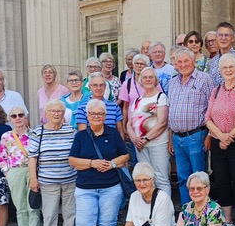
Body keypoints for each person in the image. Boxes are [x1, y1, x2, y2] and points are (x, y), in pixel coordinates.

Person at [68, 99, 129, 226]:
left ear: (105, 115)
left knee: (108, 225)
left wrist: (111, 164)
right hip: (85, 189)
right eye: (93, 113)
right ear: (87, 115)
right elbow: (72, 160)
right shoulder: (80, 136)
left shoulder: (112, 133)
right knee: (84, 225)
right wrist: (92, 163)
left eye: (100, 114)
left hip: (111, 187)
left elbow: (125, 156)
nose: (96, 116)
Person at [205, 53, 235, 226]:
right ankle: (227, 219)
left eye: (231, 67)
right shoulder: (216, 91)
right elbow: (207, 118)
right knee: (222, 179)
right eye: (224, 67)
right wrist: (220, 136)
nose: (228, 70)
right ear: (220, 70)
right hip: (218, 143)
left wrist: (228, 136)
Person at [28, 99, 77, 226]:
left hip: (70, 180)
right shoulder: (38, 132)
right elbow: (32, 158)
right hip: (47, 181)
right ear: (46, 113)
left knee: (70, 214)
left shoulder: (71, 130)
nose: (57, 114)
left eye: (60, 111)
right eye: (53, 111)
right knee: (49, 215)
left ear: (64, 114)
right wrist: (33, 179)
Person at [167, 47, 217, 204]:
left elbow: (213, 108)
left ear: (194, 61)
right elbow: (171, 110)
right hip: (177, 138)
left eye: (186, 61)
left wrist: (210, 135)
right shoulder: (172, 82)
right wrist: (170, 138)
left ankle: (201, 212)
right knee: (183, 178)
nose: (183, 65)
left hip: (197, 136)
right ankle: (186, 212)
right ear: (175, 64)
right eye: (179, 62)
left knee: (199, 179)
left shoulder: (205, 79)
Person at [0, 106, 41, 226]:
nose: (17, 118)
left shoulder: (35, 134)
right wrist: (8, 173)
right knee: (20, 208)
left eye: (20, 115)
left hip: (31, 171)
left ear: (25, 117)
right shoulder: (6, 136)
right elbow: (2, 157)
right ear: (10, 119)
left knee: (33, 206)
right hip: (15, 171)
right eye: (14, 116)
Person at [127, 67, 171, 195]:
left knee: (161, 178)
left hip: (157, 144)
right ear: (141, 81)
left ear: (156, 80)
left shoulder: (161, 97)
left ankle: (164, 206)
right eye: (145, 77)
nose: (148, 80)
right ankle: (149, 205)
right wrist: (135, 140)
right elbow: (129, 124)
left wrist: (145, 139)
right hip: (140, 146)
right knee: (146, 179)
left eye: (151, 77)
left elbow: (162, 123)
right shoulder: (137, 100)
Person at [76, 73, 124, 137]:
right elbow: (82, 135)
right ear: (90, 87)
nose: (99, 88)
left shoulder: (114, 106)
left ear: (105, 87)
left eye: (101, 85)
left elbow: (120, 132)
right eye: (95, 85)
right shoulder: (82, 107)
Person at [205, 22, 235, 86]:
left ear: (232, 38)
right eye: (220, 35)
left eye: (227, 35)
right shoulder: (212, 62)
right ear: (216, 37)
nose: (223, 38)